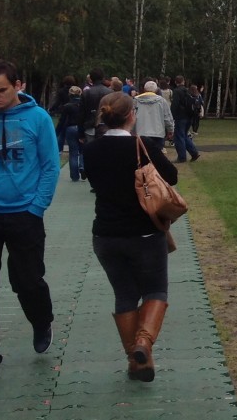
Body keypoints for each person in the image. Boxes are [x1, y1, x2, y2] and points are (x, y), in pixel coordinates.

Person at [0, 58, 60, 385]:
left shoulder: (37, 119)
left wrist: (36, 208)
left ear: (18, 85)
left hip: (24, 213)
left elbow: (51, 167)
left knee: (27, 281)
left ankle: (41, 320)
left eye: (1, 90)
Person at [82, 91, 178, 381]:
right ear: (132, 116)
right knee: (155, 291)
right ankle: (143, 343)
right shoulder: (143, 146)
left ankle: (137, 364)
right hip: (144, 233)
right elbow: (171, 176)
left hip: (106, 236)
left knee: (124, 295)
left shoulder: (91, 150)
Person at [134, 80, 174, 156]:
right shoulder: (162, 101)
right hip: (158, 133)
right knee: (157, 157)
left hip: (141, 132)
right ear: (156, 90)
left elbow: (132, 116)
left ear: (144, 89)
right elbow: (167, 117)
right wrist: (170, 129)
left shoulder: (136, 101)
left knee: (142, 156)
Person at [170, 76, 200, 163]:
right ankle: (194, 153)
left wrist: (172, 116)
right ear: (183, 81)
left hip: (180, 117)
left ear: (176, 82)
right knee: (184, 135)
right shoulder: (188, 90)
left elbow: (175, 105)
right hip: (189, 116)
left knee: (179, 137)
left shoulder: (176, 91)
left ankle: (182, 157)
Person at [58, 86, 85, 181]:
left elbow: (62, 120)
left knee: (73, 153)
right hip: (82, 128)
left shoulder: (67, 106)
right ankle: (82, 166)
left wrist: (57, 131)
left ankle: (74, 176)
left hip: (70, 128)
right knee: (82, 150)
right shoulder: (83, 105)